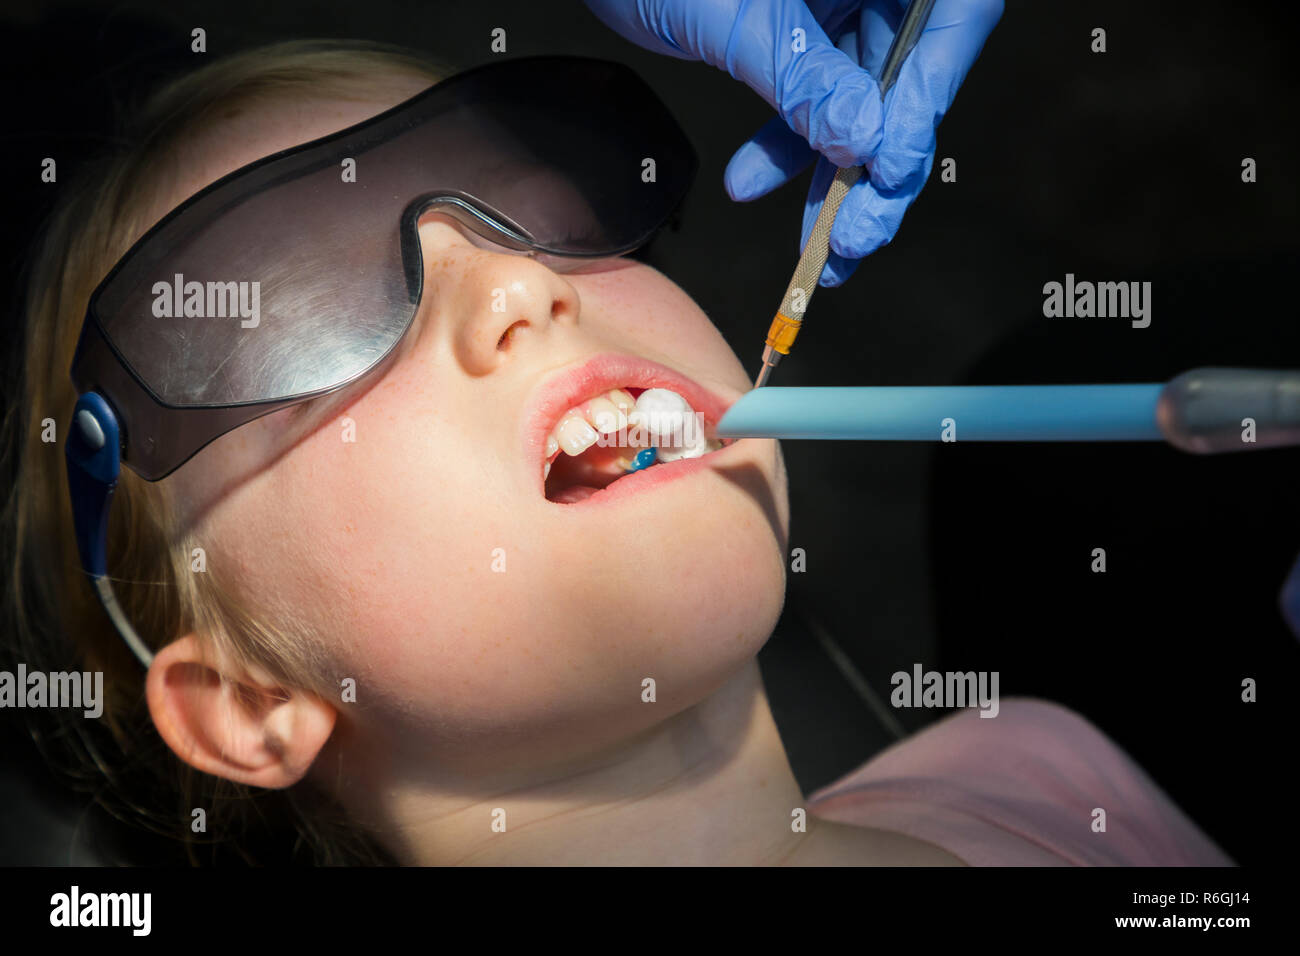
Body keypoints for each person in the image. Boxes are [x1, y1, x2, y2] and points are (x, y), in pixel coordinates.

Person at [2, 38, 1230, 865]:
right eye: (301, 315)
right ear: (252, 704)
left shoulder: (1036, 763)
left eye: (527, 195)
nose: (518, 282)